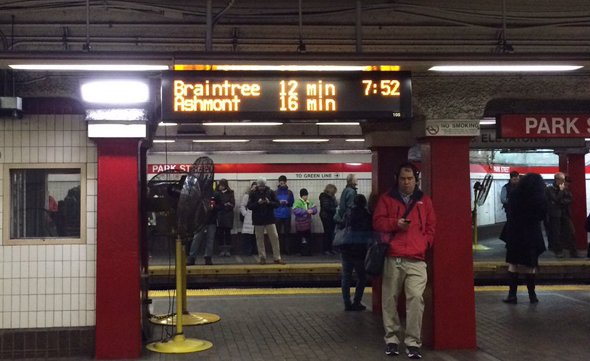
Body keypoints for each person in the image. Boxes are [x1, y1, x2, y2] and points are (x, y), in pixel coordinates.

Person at [373, 163, 436, 360]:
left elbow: (431, 226)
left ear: (416, 179)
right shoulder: (387, 199)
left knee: (416, 299)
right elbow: (377, 222)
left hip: (417, 258)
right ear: (397, 179)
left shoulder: (424, 201)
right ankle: (392, 339)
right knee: (389, 299)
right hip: (394, 256)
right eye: (403, 179)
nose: (406, 182)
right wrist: (395, 224)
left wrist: (425, 243)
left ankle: (413, 342)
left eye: (410, 179)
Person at [502, 173, 547, 304]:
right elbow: (542, 216)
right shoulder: (539, 198)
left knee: (513, 264)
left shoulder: (515, 195)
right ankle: (532, 296)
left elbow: (510, 213)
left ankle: (512, 295)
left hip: (515, 233)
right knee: (531, 265)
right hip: (532, 234)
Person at [339, 194, 372, 311]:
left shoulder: (348, 214)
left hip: (346, 249)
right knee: (362, 277)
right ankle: (357, 301)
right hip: (359, 250)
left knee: (346, 277)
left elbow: (341, 224)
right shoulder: (367, 216)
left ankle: (347, 303)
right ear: (364, 203)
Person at [248, 177, 286, 265]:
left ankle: (277, 257)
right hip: (258, 219)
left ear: (265, 185)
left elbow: (277, 204)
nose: (261, 188)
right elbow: (249, 206)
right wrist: (258, 203)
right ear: (258, 185)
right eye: (260, 186)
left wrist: (269, 203)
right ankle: (262, 258)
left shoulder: (270, 192)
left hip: (269, 218)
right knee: (259, 239)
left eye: (263, 186)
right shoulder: (253, 193)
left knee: (275, 237)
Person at [545, 172, 576, 258]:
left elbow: (570, 199)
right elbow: (555, 199)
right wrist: (561, 192)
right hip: (555, 215)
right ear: (557, 180)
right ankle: (558, 251)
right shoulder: (550, 189)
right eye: (562, 180)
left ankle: (572, 251)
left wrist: (560, 201)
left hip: (565, 214)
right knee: (556, 232)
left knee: (571, 231)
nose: (563, 182)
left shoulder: (564, 189)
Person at [187, 195, 218, 265]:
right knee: (197, 238)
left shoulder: (215, 195)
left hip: (211, 220)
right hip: (201, 220)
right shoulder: (199, 195)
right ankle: (192, 257)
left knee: (210, 239)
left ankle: (207, 257)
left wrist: (215, 207)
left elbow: (219, 206)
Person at [293, 188, 318, 256]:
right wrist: (306, 211)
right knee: (299, 238)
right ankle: (299, 251)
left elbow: (315, 208)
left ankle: (308, 251)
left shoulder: (309, 201)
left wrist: (312, 211)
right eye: (304, 195)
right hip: (300, 223)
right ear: (301, 196)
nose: (306, 197)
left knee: (308, 238)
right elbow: (295, 211)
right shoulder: (297, 202)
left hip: (307, 223)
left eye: (306, 195)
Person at [274, 175, 295, 254]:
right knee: (277, 234)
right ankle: (278, 250)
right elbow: (273, 203)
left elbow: (292, 202)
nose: (282, 184)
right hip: (277, 215)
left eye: (283, 183)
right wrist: (279, 202)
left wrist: (288, 202)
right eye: (281, 183)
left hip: (286, 215)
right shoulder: (275, 192)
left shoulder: (290, 192)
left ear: (286, 182)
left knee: (287, 233)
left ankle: (287, 250)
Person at [215, 179, 235, 257]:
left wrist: (223, 206)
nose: (220, 186)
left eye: (222, 185)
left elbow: (232, 204)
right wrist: (224, 205)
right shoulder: (216, 193)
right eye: (220, 185)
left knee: (227, 233)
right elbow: (215, 204)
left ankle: (227, 250)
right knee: (220, 233)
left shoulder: (230, 193)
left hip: (228, 216)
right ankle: (221, 250)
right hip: (219, 216)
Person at [319, 184, 338, 255]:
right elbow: (326, 207)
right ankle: (326, 249)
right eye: (333, 192)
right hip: (326, 217)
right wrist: (335, 209)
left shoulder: (331, 197)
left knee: (331, 233)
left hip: (330, 216)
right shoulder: (324, 197)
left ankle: (330, 249)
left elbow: (335, 204)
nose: (334, 194)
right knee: (328, 233)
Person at [240, 182, 257, 256]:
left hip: (257, 217)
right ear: (251, 187)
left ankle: (254, 250)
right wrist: (245, 213)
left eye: (256, 187)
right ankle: (247, 251)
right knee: (248, 236)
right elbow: (242, 206)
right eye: (253, 187)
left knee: (256, 236)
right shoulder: (247, 196)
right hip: (249, 217)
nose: (254, 189)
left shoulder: (259, 196)